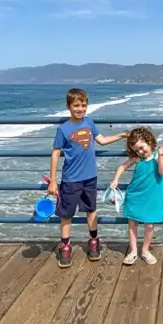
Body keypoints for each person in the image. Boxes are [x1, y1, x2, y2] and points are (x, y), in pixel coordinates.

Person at [47, 88, 129, 268]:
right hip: (70, 179)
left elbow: (102, 140)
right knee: (66, 214)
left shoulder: (90, 123)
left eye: (83, 105)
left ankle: (93, 241)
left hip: (90, 178)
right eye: (76, 105)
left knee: (91, 210)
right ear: (68, 106)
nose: (80, 109)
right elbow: (55, 154)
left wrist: (121, 135)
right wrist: (53, 180)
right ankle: (65, 245)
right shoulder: (63, 129)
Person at [110, 127, 163, 266]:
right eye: (137, 150)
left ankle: (145, 250)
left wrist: (161, 155)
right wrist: (116, 179)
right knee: (132, 223)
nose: (140, 152)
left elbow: (162, 171)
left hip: (153, 196)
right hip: (135, 194)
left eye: (142, 148)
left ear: (149, 141)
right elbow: (122, 167)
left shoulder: (157, 155)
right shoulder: (137, 158)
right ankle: (133, 251)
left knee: (149, 225)